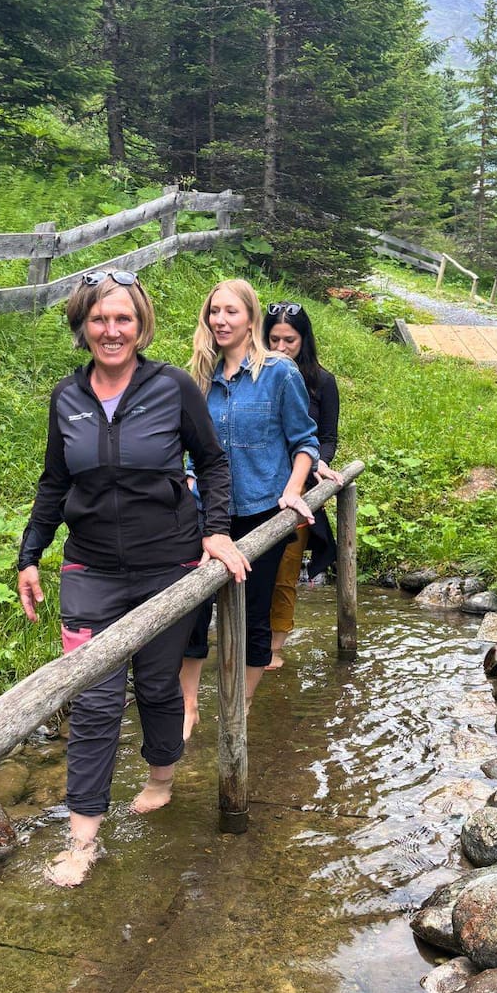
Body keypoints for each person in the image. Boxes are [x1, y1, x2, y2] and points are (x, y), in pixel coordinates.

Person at [17, 270, 249, 887]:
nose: (111, 330)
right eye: (98, 319)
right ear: (82, 326)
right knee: (92, 701)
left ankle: (162, 773)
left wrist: (215, 530)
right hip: (89, 568)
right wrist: (30, 554)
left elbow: (212, 462)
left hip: (167, 566)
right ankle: (82, 838)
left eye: (122, 319)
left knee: (156, 687)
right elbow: (54, 482)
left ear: (141, 325)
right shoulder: (66, 398)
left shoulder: (173, 388)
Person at [180, 278, 335, 737]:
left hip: (262, 509)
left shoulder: (279, 373)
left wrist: (292, 490)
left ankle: (241, 707)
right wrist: (189, 476)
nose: (220, 320)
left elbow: (304, 441)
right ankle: (188, 705)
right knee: (192, 609)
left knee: (254, 615)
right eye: (214, 312)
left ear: (250, 319)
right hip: (209, 512)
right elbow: (192, 445)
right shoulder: (200, 377)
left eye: (231, 311)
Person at [263, 301, 340, 669]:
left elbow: (327, 436)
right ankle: (250, 638)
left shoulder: (322, 382)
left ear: (303, 340)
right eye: (274, 340)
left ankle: (274, 648)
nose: (280, 348)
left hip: (302, 487)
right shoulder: (253, 378)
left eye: (288, 341)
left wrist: (318, 460)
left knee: (285, 570)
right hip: (257, 485)